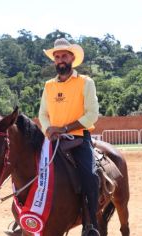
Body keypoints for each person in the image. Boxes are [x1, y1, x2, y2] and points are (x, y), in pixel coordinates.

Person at [38, 38, 100, 235]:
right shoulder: (48, 86)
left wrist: (64, 129)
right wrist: (49, 130)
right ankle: (28, 218)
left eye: (64, 55)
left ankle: (90, 225)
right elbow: (42, 115)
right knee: (29, 169)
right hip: (53, 140)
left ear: (72, 58)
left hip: (79, 139)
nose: (60, 59)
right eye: (57, 57)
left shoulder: (85, 82)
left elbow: (92, 114)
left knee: (90, 177)